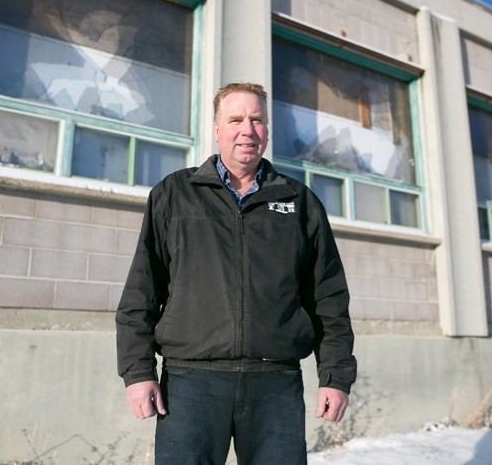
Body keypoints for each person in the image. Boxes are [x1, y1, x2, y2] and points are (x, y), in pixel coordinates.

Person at [116, 82, 357, 464]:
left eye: (257, 119)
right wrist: (138, 372)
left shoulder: (299, 201)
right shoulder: (175, 194)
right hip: (191, 383)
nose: (248, 129)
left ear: (267, 130)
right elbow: (141, 293)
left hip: (275, 384)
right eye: (236, 119)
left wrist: (335, 376)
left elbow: (328, 298)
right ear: (216, 129)